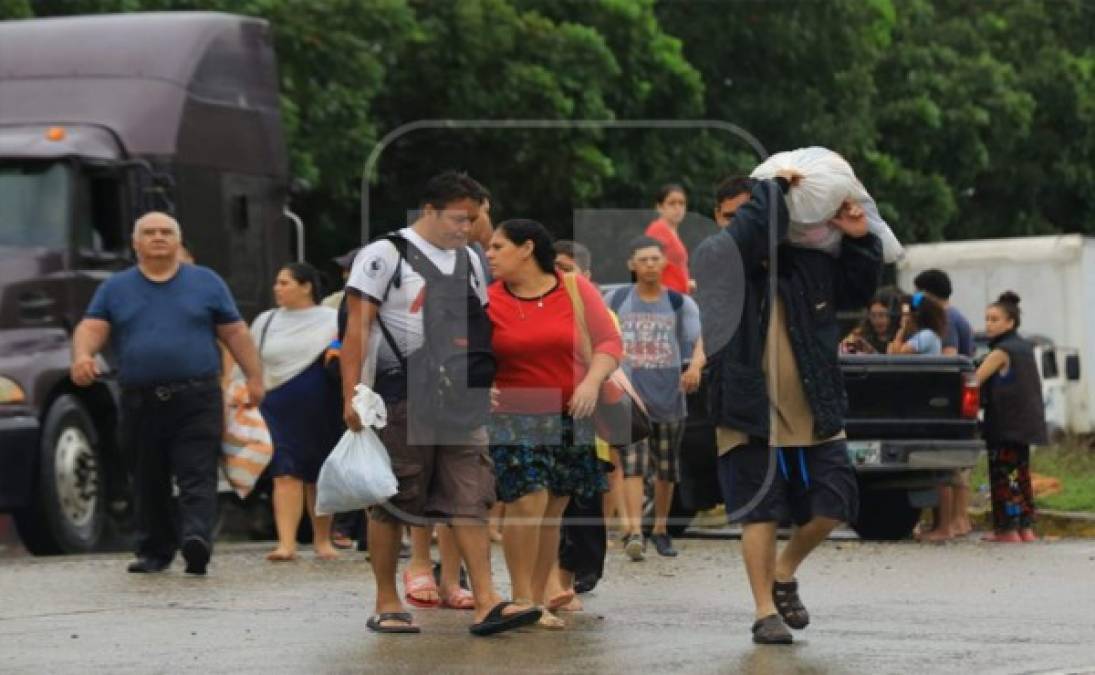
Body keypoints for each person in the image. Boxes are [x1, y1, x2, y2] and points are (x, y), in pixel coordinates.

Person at [340, 171, 539, 635]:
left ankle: (487, 600)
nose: (466, 228)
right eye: (458, 218)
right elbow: (357, 329)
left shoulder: (470, 259)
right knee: (394, 498)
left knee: (471, 493)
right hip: (398, 393)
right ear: (429, 210)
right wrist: (352, 394)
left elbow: (474, 325)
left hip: (459, 398)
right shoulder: (384, 254)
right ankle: (387, 600)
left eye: (473, 219)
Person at [694, 174, 882, 644]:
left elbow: (858, 292)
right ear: (719, 220)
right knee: (760, 512)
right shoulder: (715, 258)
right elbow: (751, 232)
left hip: (814, 404)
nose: (746, 222)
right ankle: (764, 613)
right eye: (733, 216)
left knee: (835, 503)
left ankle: (785, 570)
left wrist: (861, 240)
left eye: (752, 210)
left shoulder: (807, 263)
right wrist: (771, 189)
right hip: (745, 407)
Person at [71, 212, 264, 575]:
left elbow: (235, 333)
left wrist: (255, 377)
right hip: (139, 398)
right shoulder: (116, 287)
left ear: (178, 241)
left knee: (197, 471)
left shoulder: (206, 282)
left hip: (197, 396)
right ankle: (154, 550)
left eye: (166, 232)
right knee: (147, 477)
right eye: (149, 232)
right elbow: (92, 327)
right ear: (135, 243)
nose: (158, 237)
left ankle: (196, 540)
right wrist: (83, 355)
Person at [486, 220, 622, 629]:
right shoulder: (486, 299)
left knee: (553, 507)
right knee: (528, 498)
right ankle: (521, 596)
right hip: (514, 411)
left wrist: (592, 381)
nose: (488, 254)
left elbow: (609, 343)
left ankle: (538, 597)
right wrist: (475, 383)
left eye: (497, 246)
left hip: (572, 412)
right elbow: (460, 348)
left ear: (526, 249)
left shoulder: (576, 288)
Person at [604, 236, 703, 560]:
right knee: (632, 465)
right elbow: (600, 337)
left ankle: (660, 528)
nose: (649, 265)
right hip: (629, 398)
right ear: (632, 264)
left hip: (669, 397)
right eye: (643, 259)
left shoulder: (679, 303)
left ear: (664, 264)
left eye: (654, 259)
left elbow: (701, 338)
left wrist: (695, 367)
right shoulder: (615, 299)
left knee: (666, 468)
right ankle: (633, 530)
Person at [252, 263, 343, 562]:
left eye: (285, 282)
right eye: (277, 283)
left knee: (319, 472)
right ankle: (286, 543)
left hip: (320, 402)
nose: (277, 288)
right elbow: (250, 358)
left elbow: (348, 348)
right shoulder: (265, 321)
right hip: (276, 402)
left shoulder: (331, 319)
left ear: (306, 286)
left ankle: (322, 540)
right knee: (284, 471)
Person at [974, 292, 1047, 543]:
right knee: (1020, 476)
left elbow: (975, 380)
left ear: (1010, 323)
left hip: (1005, 425)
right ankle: (1025, 528)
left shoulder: (1001, 352)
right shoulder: (1024, 347)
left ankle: (1006, 529)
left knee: (1004, 477)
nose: (989, 324)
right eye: (987, 319)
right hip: (1026, 426)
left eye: (995, 319)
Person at [914, 269, 975, 541]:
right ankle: (960, 521)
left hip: (948, 398)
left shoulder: (946, 319)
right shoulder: (958, 315)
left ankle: (951, 523)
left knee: (949, 467)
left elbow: (948, 358)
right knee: (959, 468)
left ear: (927, 293)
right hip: (962, 398)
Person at [645, 183, 693, 294]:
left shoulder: (670, 231)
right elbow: (650, 267)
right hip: (665, 299)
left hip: (677, 297)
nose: (678, 208)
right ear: (659, 207)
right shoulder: (658, 230)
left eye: (682, 203)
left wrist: (686, 283)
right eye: (672, 203)